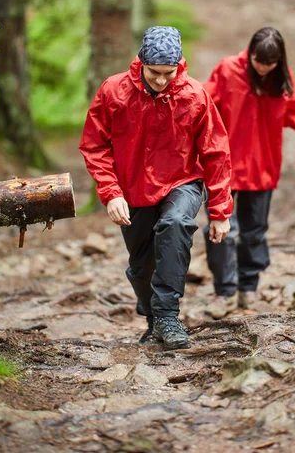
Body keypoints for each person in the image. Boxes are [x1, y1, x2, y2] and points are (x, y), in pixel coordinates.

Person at [80, 26, 232, 349]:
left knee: (176, 225)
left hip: (182, 181)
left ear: (180, 64)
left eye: (169, 72)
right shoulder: (113, 92)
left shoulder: (195, 95)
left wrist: (220, 211)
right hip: (132, 189)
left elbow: (216, 152)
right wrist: (111, 192)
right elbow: (94, 145)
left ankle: (167, 315)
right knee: (141, 266)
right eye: (154, 73)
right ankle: (154, 320)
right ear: (141, 63)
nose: (162, 80)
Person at [203, 27, 295, 319]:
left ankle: (248, 287)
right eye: (258, 61)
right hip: (223, 166)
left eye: (270, 63)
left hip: (261, 166)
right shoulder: (228, 70)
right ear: (250, 53)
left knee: (255, 230)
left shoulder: (281, 79)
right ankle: (224, 291)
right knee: (221, 230)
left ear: (279, 60)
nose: (263, 67)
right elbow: (203, 106)